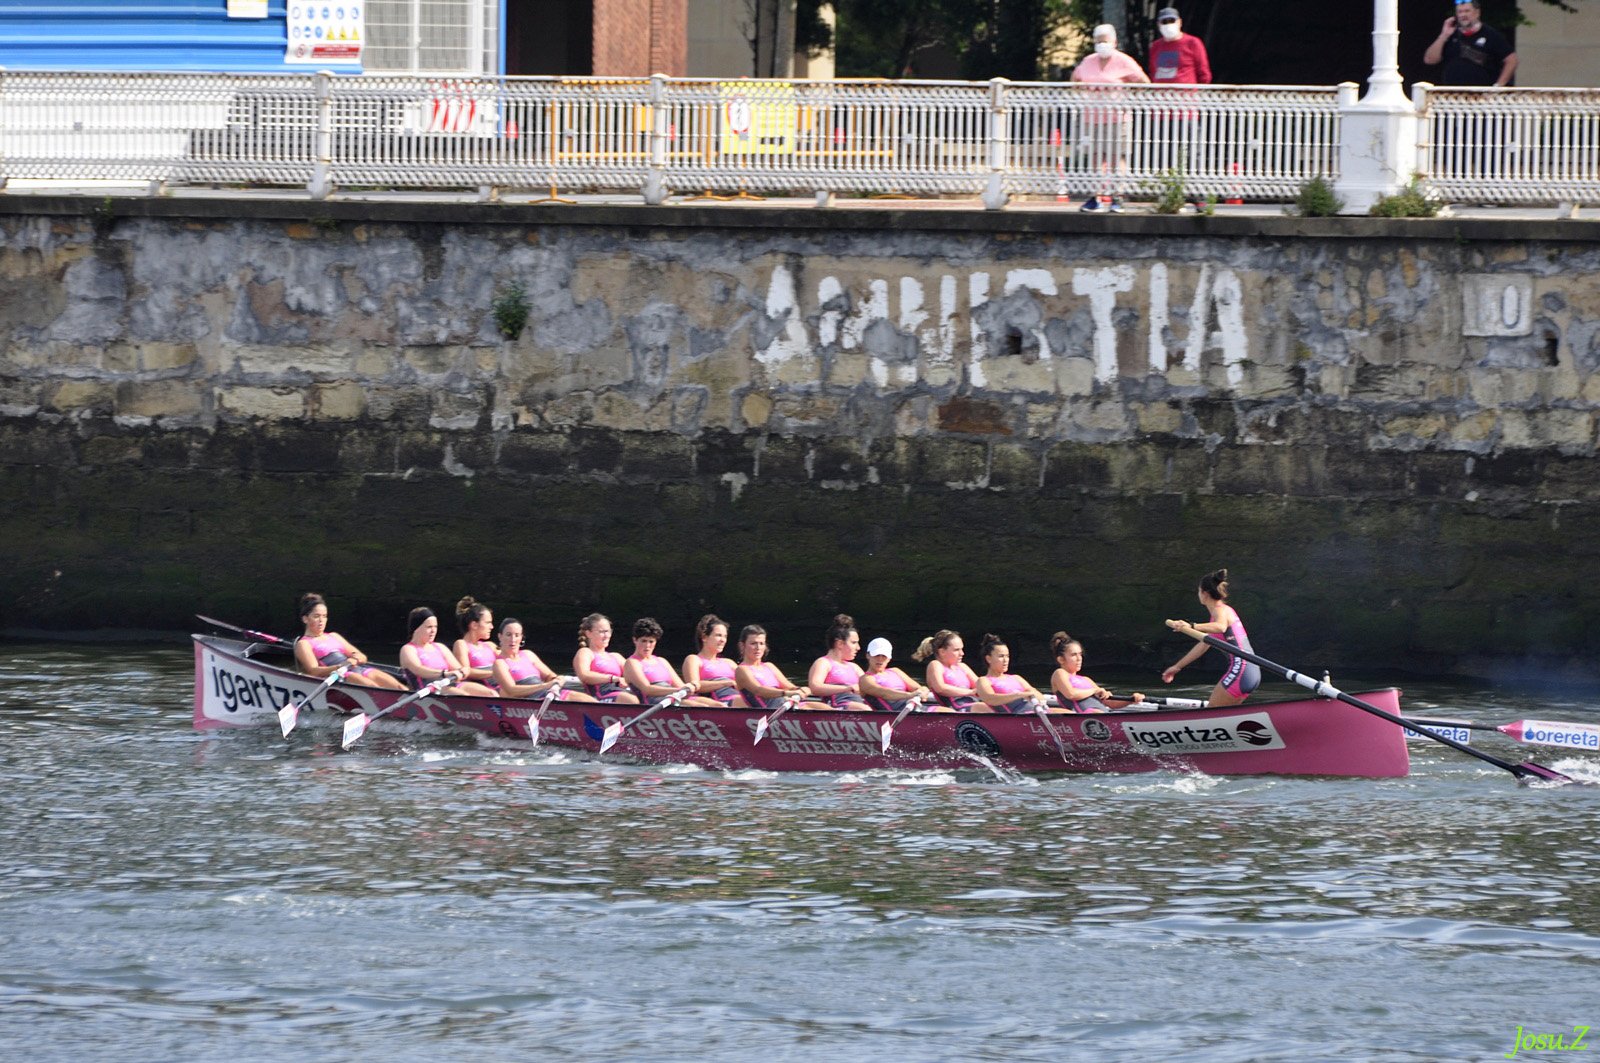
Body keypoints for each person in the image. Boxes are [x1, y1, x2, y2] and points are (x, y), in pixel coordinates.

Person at [1071, 23, 1150, 213]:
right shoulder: (1088, 61)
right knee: (1096, 158)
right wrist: (1082, 94)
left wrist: (1130, 98)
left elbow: (1144, 81)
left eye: (1105, 41)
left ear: (1114, 42)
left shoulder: (1124, 61)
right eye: (1098, 42)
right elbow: (1075, 80)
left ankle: (1117, 197)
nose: (1102, 45)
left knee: (1117, 158)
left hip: (1117, 118)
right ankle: (1095, 197)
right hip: (1092, 118)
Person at [1162, 568, 1260, 706]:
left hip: (1241, 670)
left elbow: (1221, 627)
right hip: (1251, 671)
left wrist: (1191, 626)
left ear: (1205, 593)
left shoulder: (1220, 610)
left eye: (1198, 591)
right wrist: (1177, 667)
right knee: (1225, 714)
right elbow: (1203, 645)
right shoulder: (1224, 612)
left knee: (1211, 710)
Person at [291, 592, 406, 689]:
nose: (321, 620)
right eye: (316, 616)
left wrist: (356, 658)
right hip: (341, 675)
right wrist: (341, 666)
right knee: (375, 688)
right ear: (305, 619)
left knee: (400, 687)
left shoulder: (334, 636)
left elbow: (362, 656)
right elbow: (314, 671)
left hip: (359, 669)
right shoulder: (304, 644)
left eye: (324, 616)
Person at [623, 617, 722, 708]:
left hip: (673, 696)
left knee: (718, 705)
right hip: (654, 701)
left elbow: (680, 685)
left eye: (651, 641)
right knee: (699, 707)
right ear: (635, 640)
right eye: (643, 641)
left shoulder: (662, 661)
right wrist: (678, 691)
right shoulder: (632, 663)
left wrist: (689, 687)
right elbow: (647, 689)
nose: (647, 646)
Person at [399, 606, 496, 696]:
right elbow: (418, 669)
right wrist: (443, 674)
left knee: (491, 693)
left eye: (435, 627)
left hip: (449, 684)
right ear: (416, 628)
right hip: (428, 689)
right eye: (429, 627)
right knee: (463, 696)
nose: (433, 631)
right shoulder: (408, 649)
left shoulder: (440, 647)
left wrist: (463, 671)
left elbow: (459, 668)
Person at [491, 617, 594, 701]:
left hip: (546, 695)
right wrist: (544, 686)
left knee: (587, 700)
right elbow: (512, 690)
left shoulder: (528, 654)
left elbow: (549, 675)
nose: (513, 640)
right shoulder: (500, 663)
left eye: (517, 635)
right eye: (508, 635)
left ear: (521, 637)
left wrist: (555, 679)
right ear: (500, 636)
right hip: (530, 701)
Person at [734, 624, 829, 710]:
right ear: (742, 646)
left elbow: (790, 687)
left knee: (824, 707)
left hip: (785, 705)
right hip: (769, 711)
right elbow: (759, 690)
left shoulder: (769, 666)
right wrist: (786, 693)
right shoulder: (742, 669)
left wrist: (801, 689)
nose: (758, 648)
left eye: (761, 643)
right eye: (753, 643)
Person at [1423, 3, 1517, 87]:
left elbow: (1512, 60)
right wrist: (1444, 35)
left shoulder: (1491, 35)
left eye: (1467, 11)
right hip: (1452, 93)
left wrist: (1498, 86)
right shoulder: (1450, 34)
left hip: (1481, 94)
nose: (1463, 15)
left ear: (1477, 13)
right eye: (1460, 12)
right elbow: (1430, 60)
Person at [1050, 631, 1145, 713]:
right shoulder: (1060, 673)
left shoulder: (1086, 680)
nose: (1079, 658)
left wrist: (1131, 699)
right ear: (1061, 659)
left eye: (1080, 654)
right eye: (1074, 655)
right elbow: (1071, 694)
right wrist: (1094, 691)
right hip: (1086, 717)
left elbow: (1110, 703)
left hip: (1100, 715)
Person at [806, 613, 870, 710]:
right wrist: (847, 688)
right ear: (840, 643)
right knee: (864, 709)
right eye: (854, 643)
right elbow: (815, 687)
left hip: (859, 704)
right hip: (836, 706)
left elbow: (868, 687)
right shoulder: (824, 663)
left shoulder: (854, 667)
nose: (858, 648)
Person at [973, 633, 1050, 714]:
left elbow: (1039, 695)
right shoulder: (984, 680)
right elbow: (990, 699)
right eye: (1001, 656)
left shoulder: (1016, 678)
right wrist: (1018, 695)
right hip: (1020, 715)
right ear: (988, 659)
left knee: (1060, 711)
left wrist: (1032, 695)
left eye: (1007, 656)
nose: (1005, 660)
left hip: (1038, 712)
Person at [573, 612, 640, 704]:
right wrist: (613, 678)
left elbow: (635, 674)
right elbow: (584, 675)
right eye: (602, 632)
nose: (606, 636)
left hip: (620, 692)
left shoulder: (616, 656)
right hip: (599, 697)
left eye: (608, 631)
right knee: (632, 700)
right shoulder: (586, 652)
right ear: (588, 634)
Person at [683, 613, 747, 707]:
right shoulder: (694, 659)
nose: (723, 640)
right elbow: (694, 686)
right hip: (720, 701)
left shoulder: (729, 662)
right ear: (704, 637)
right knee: (748, 702)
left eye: (725, 636)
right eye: (718, 635)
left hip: (738, 697)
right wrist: (727, 683)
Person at [912, 629, 985, 712]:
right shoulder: (936, 665)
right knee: (984, 707)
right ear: (942, 652)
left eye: (962, 649)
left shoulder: (962, 666)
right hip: (955, 708)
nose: (962, 653)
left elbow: (981, 685)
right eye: (956, 650)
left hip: (973, 704)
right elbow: (940, 688)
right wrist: (970, 692)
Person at [858, 637, 931, 713]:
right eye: (876, 655)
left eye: (884, 656)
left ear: (889, 658)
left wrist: (924, 690)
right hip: (897, 714)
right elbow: (885, 693)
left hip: (912, 709)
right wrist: (910, 695)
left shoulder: (895, 671)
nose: (880, 659)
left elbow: (918, 688)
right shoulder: (865, 679)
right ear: (868, 655)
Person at [1147, 7, 1211, 87]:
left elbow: (1204, 73)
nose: (1168, 25)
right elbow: (1153, 72)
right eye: (1164, 22)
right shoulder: (1155, 46)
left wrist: (1198, 92)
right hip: (1160, 94)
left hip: (1186, 94)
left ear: (1179, 22)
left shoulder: (1192, 43)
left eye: (1172, 21)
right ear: (1159, 25)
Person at [451, 596, 499, 686]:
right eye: (488, 623)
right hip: (481, 689)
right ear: (474, 625)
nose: (492, 627)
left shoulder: (490, 645)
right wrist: (496, 673)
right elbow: (466, 671)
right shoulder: (461, 645)